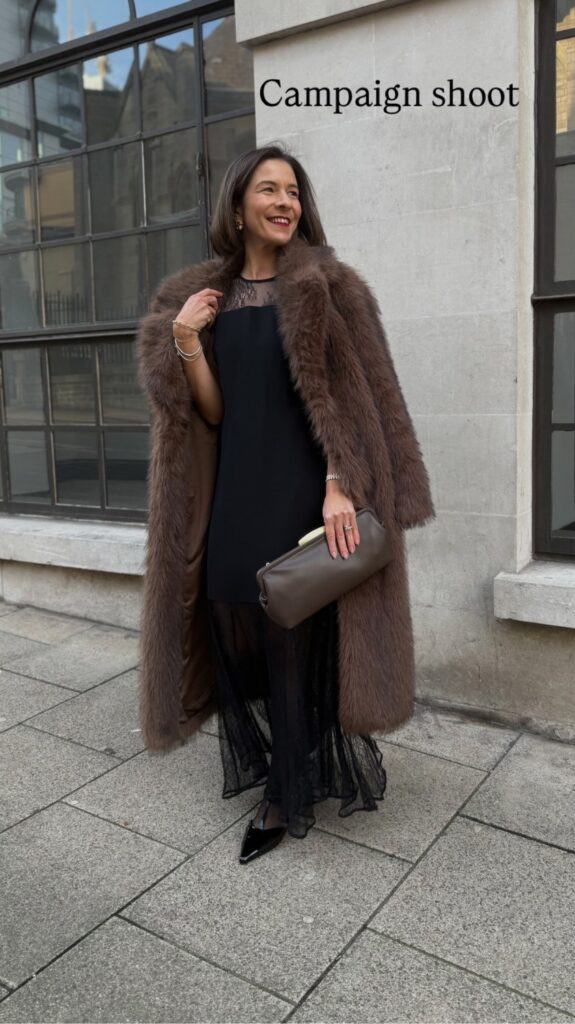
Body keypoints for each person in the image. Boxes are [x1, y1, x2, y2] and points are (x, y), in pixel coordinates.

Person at [135, 143, 435, 866]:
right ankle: (285, 754)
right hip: (235, 484)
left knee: (289, 632)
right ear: (236, 206)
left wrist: (341, 483)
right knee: (233, 619)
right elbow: (210, 412)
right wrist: (184, 341)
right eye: (267, 189)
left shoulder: (331, 288)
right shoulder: (201, 297)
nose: (283, 202)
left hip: (306, 486)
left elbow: (366, 402)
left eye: (293, 191)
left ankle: (286, 788)